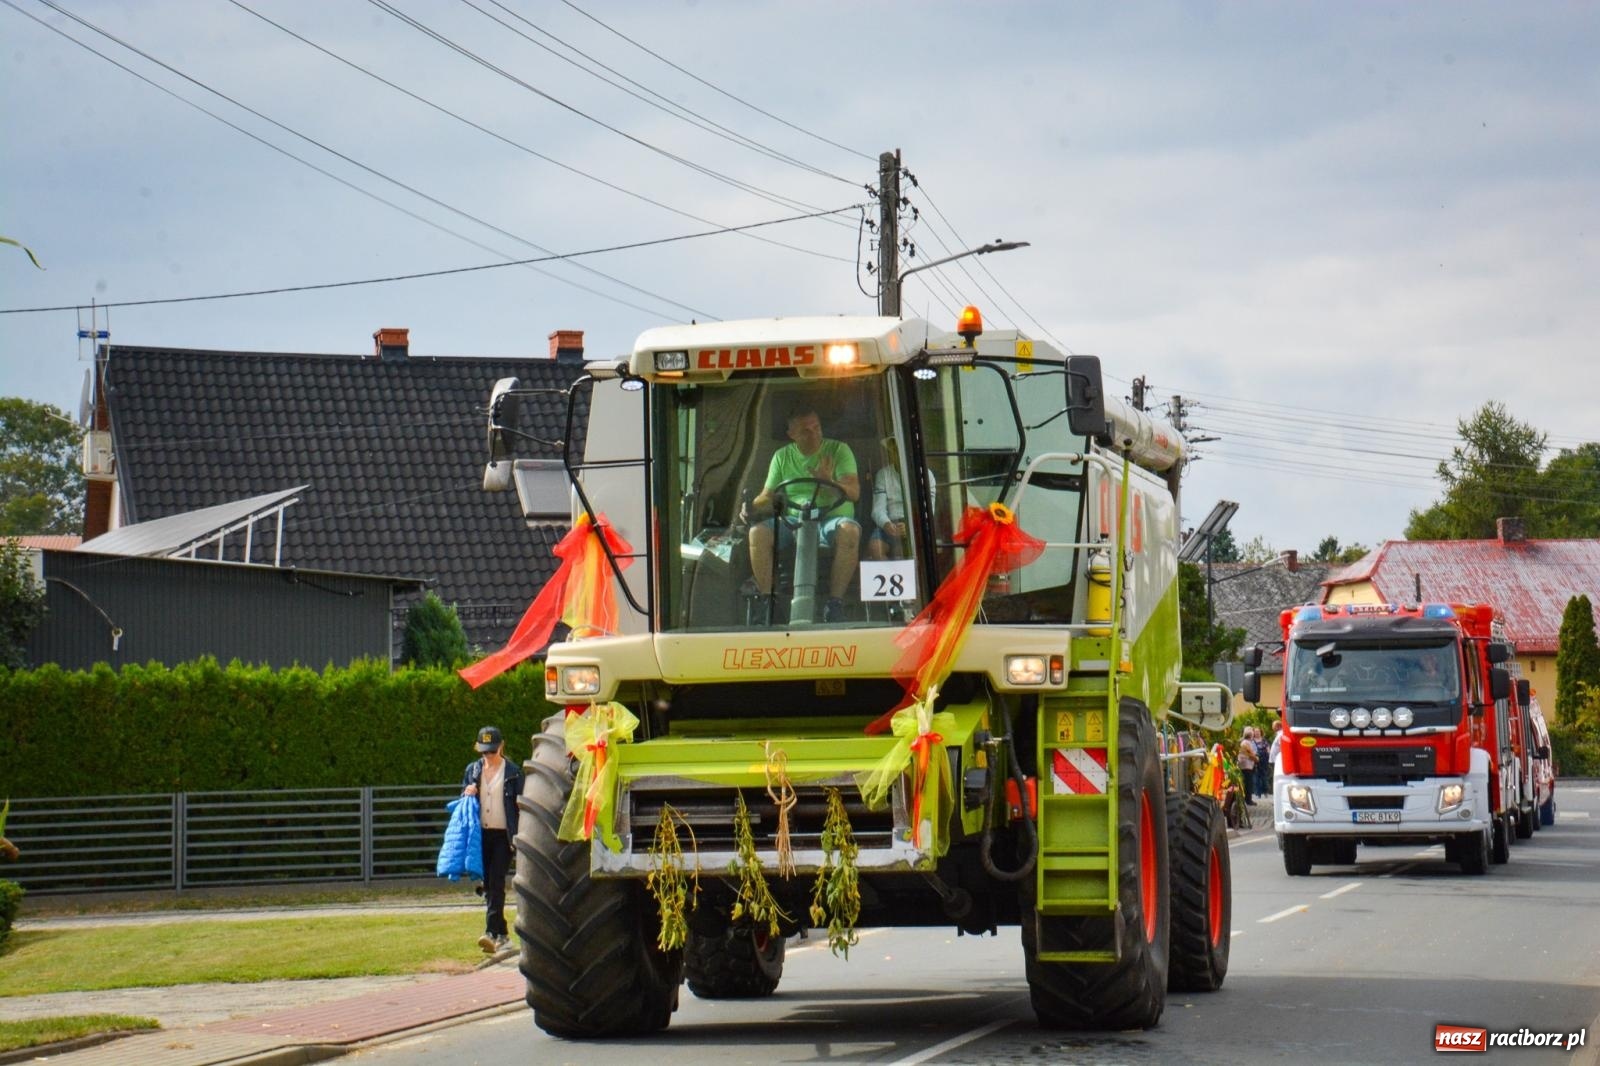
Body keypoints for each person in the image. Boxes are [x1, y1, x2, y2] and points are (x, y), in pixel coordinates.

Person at [745, 403, 861, 623]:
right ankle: (769, 602)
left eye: (816, 427)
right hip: (793, 521)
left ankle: (834, 604)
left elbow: (854, 493)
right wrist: (750, 507)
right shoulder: (782, 457)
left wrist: (829, 481)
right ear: (792, 434)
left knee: (850, 531)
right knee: (757, 533)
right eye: (806, 431)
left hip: (831, 519)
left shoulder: (838, 450)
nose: (814, 434)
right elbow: (767, 496)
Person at [462, 725, 524, 954]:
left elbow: (521, 806)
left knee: (496, 882)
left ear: (501, 746)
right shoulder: (472, 771)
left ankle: (490, 933)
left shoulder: (514, 773)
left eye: (492, 750)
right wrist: (467, 792)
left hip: (503, 836)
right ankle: (503, 935)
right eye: (484, 751)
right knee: (488, 885)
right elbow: (464, 801)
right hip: (480, 835)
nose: (488, 755)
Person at [866, 437, 909, 561]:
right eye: (894, 450)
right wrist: (886, 524)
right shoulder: (883, 475)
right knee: (875, 548)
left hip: (915, 524)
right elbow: (877, 509)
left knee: (903, 551)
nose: (897, 453)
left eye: (900, 449)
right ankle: (892, 573)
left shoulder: (926, 474)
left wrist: (910, 525)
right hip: (890, 522)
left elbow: (929, 510)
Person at [1236, 728, 1259, 805]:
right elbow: (1250, 754)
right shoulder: (1246, 743)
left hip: (1246, 764)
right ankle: (1248, 800)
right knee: (1248, 783)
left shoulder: (1246, 742)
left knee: (1248, 782)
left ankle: (1247, 799)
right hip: (1246, 765)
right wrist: (1256, 759)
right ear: (1250, 735)